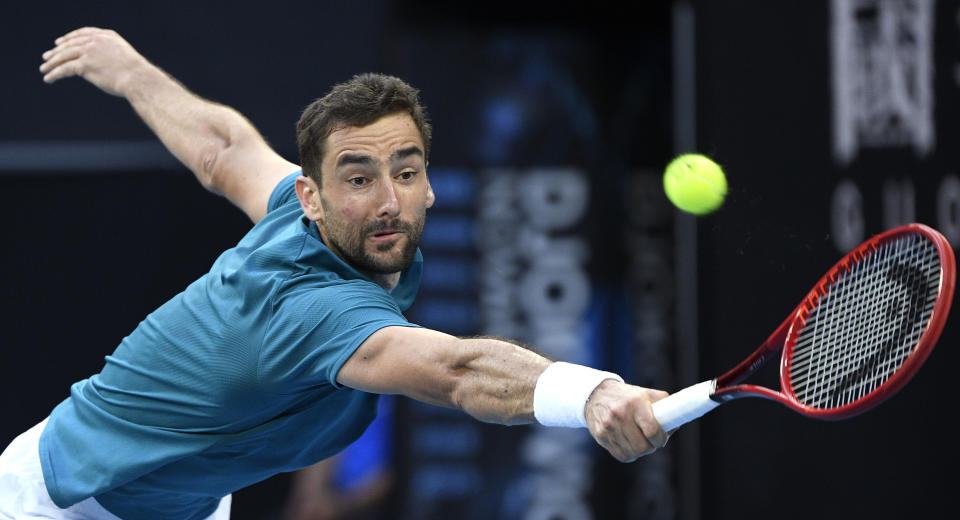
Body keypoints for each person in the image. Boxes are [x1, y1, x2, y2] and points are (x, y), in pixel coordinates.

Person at [0, 27, 670, 520]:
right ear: (311, 198)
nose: (388, 201)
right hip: (60, 503)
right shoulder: (311, 306)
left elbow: (223, 149)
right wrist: (590, 393)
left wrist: (130, 71)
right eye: (358, 179)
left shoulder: (324, 221)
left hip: (182, 502)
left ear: (429, 186)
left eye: (406, 173)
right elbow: (456, 371)